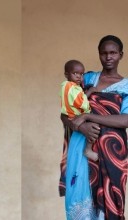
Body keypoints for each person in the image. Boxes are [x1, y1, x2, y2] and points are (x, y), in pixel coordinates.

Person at [62, 35, 128, 219]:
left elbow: (126, 119)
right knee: (79, 201)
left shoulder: (127, 86)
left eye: (113, 53)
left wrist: (89, 116)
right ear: (99, 55)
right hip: (81, 146)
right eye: (104, 53)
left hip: (111, 152)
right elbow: (65, 112)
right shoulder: (87, 78)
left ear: (121, 55)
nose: (108, 57)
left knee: (109, 204)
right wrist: (81, 127)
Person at [60, 60, 98, 161]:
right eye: (75, 73)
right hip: (76, 115)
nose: (79, 77)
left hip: (69, 115)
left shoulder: (65, 86)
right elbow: (81, 103)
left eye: (81, 74)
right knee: (95, 125)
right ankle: (88, 150)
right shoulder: (73, 88)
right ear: (66, 74)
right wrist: (90, 91)